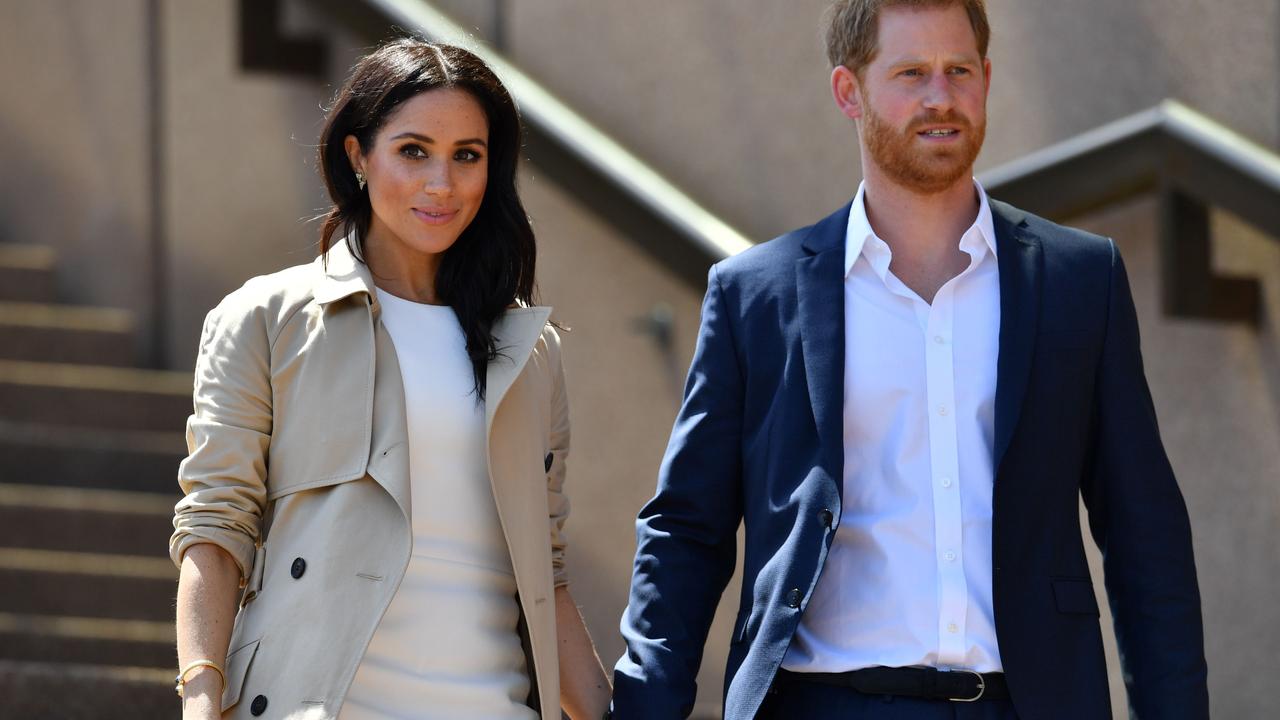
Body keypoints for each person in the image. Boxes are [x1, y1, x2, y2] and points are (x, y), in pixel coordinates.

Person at [612, 1, 1208, 718]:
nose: (940, 97)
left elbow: (1146, 536)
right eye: (910, 73)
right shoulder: (753, 296)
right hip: (820, 704)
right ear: (848, 91)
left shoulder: (1079, 281)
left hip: (1024, 703)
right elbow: (687, 531)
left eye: (959, 70)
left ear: (986, 78)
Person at [171, 39, 611, 720]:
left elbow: (542, 575)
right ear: (357, 156)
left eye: (468, 155)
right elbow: (214, 528)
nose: (442, 183)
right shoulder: (267, 319)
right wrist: (200, 699)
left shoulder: (530, 350)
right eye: (413, 151)